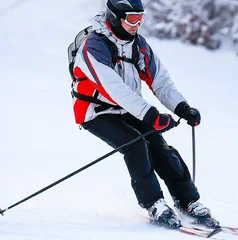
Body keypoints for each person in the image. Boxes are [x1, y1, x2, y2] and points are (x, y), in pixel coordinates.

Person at [70, 0, 219, 229]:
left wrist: (181, 107)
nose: (137, 24)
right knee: (136, 144)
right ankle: (155, 204)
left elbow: (159, 80)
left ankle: (188, 203)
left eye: (141, 18)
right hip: (96, 112)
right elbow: (113, 88)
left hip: (128, 108)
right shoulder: (93, 46)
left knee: (159, 147)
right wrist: (150, 115)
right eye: (131, 18)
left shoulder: (137, 44)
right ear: (114, 16)